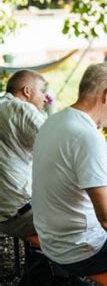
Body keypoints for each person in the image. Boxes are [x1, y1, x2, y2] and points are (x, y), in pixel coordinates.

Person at [32, 63, 107, 276]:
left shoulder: (54, 120)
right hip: (82, 251)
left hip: (51, 241)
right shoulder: (87, 135)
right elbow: (106, 220)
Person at [0, 70, 46, 238]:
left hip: (5, 215)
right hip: (21, 217)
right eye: (42, 91)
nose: (45, 97)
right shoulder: (21, 108)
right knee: (92, 213)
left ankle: (38, 261)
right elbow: (59, 144)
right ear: (27, 91)